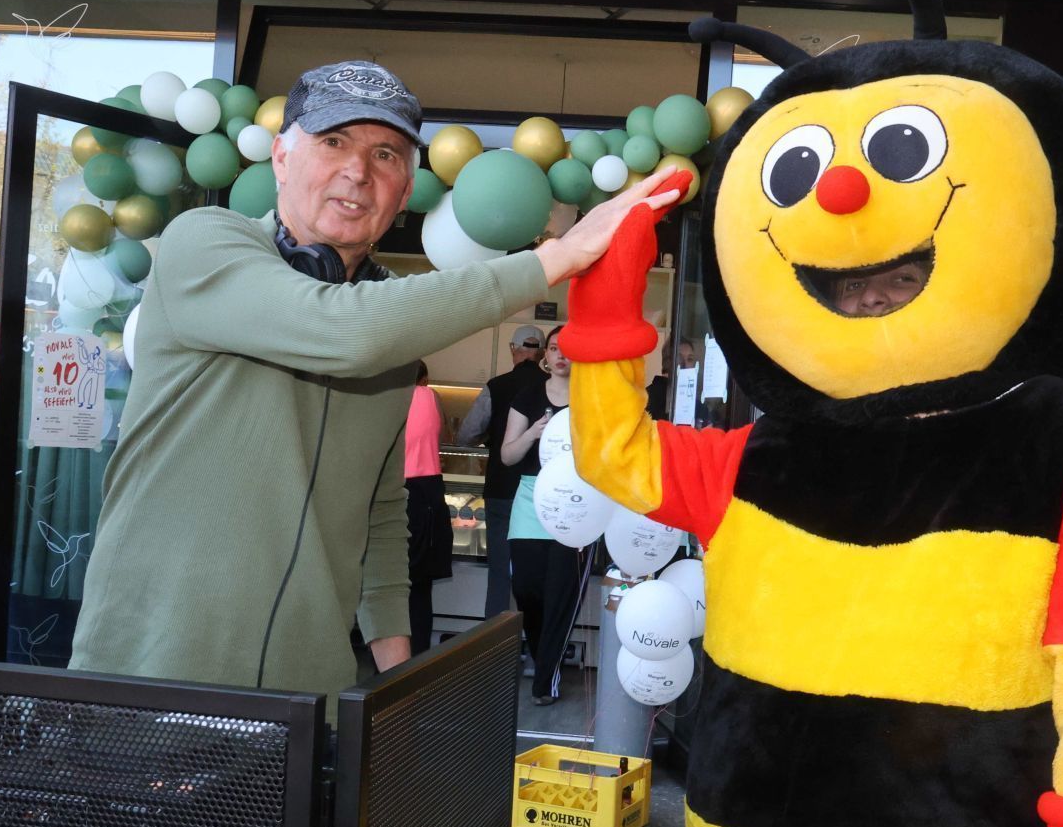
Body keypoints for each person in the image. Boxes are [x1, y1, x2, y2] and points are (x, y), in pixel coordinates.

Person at [70, 58, 684, 697]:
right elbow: (343, 330)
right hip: (149, 673)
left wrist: (397, 685)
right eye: (333, 141)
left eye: (386, 154)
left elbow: (382, 513)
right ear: (281, 157)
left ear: (405, 187)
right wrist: (554, 258)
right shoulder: (205, 240)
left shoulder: (390, 315)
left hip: (310, 697)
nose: (357, 171)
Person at [500, 325, 588, 706]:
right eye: (554, 348)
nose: (561, 355)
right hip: (530, 500)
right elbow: (507, 455)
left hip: (577, 505)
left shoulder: (592, 399)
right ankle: (543, 659)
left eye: (568, 349)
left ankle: (545, 682)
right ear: (545, 356)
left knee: (560, 596)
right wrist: (535, 432)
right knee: (528, 590)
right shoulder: (527, 396)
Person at [455, 324, 545, 618]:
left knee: (499, 573)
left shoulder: (496, 386)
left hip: (502, 490)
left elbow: (466, 435)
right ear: (543, 352)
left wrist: (491, 436)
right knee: (537, 574)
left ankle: (494, 651)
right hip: (542, 496)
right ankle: (536, 652)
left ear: (513, 349)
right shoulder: (554, 387)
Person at [403, 360, 449, 655]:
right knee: (420, 588)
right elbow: (442, 436)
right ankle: (417, 658)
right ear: (425, 378)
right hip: (428, 492)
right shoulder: (431, 397)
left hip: (394, 490)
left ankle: (384, 660)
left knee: (388, 584)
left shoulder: (388, 400)